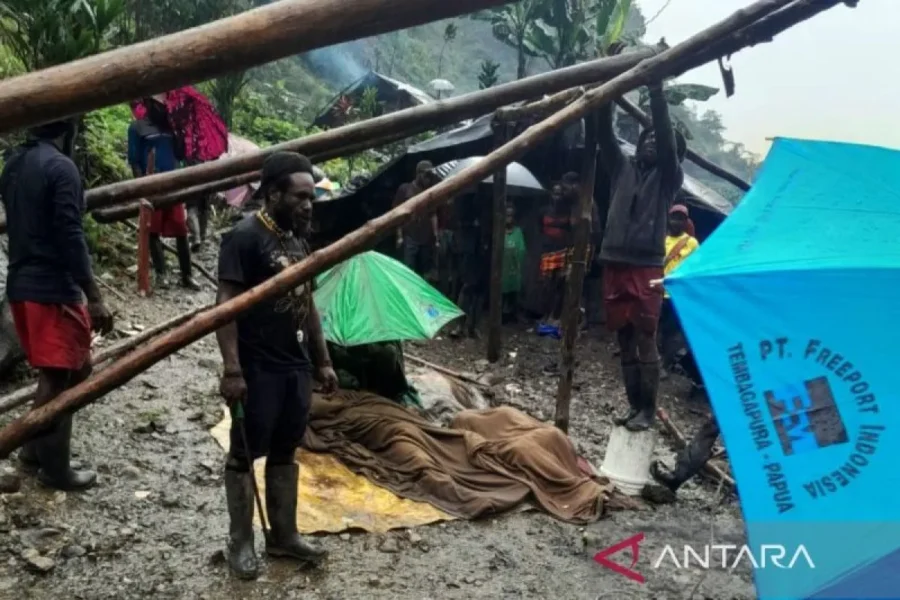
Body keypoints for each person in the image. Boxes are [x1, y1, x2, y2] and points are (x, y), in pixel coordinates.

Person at [216, 151, 339, 579]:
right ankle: (241, 542)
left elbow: (308, 305)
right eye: (300, 197)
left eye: (312, 197)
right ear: (272, 195)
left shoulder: (297, 239)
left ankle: (283, 534)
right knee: (244, 453)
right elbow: (225, 308)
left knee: (287, 448)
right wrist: (232, 370)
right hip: (257, 367)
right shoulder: (243, 238)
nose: (309, 205)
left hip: (295, 365)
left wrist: (322, 361)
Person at [1, 119, 114, 490]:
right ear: (71, 130)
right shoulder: (60, 167)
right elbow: (70, 233)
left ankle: (34, 449)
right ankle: (55, 468)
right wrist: (93, 296)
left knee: (77, 368)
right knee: (58, 375)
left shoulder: (15, 163)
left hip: (22, 285)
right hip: (51, 288)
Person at [598, 81, 686, 432]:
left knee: (645, 336)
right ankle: (634, 406)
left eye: (657, 141)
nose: (651, 141)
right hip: (615, 262)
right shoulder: (621, 168)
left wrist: (656, 92)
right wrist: (607, 91)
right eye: (644, 138)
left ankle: (648, 410)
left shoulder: (669, 178)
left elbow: (666, 139)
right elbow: (604, 132)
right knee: (623, 338)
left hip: (646, 265)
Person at [128, 96, 201, 291]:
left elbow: (180, 154)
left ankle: (187, 276)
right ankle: (162, 274)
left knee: (181, 230)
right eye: (160, 106)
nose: (164, 109)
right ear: (150, 105)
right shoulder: (137, 128)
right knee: (153, 231)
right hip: (151, 184)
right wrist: (141, 187)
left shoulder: (171, 127)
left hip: (173, 185)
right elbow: (134, 160)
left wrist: (180, 132)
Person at [659, 204, 699, 370]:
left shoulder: (691, 243)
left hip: (677, 295)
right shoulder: (660, 239)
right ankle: (655, 359)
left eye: (680, 219)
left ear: (686, 222)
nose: (676, 222)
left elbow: (695, 268)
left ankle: (665, 365)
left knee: (671, 332)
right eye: (673, 217)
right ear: (668, 219)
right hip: (657, 291)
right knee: (654, 328)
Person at [537, 182, 574, 337]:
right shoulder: (544, 211)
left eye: (560, 194)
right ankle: (545, 314)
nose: (557, 196)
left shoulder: (569, 212)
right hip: (547, 251)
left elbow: (572, 230)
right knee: (547, 285)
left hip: (563, 251)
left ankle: (555, 316)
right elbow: (539, 227)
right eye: (555, 193)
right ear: (550, 194)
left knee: (560, 285)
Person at [394, 161, 439, 278]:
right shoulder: (405, 189)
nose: (428, 179)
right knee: (408, 269)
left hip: (425, 236)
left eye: (430, 176)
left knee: (425, 269)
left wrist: (436, 235)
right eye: (426, 175)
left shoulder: (429, 192)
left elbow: (433, 214)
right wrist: (399, 236)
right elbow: (396, 214)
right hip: (410, 235)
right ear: (418, 174)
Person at [501, 204, 526, 323]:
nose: (508, 218)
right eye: (506, 215)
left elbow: (521, 248)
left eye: (511, 215)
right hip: (502, 267)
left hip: (514, 266)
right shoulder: (499, 231)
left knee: (514, 291)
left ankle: (512, 313)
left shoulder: (518, 231)